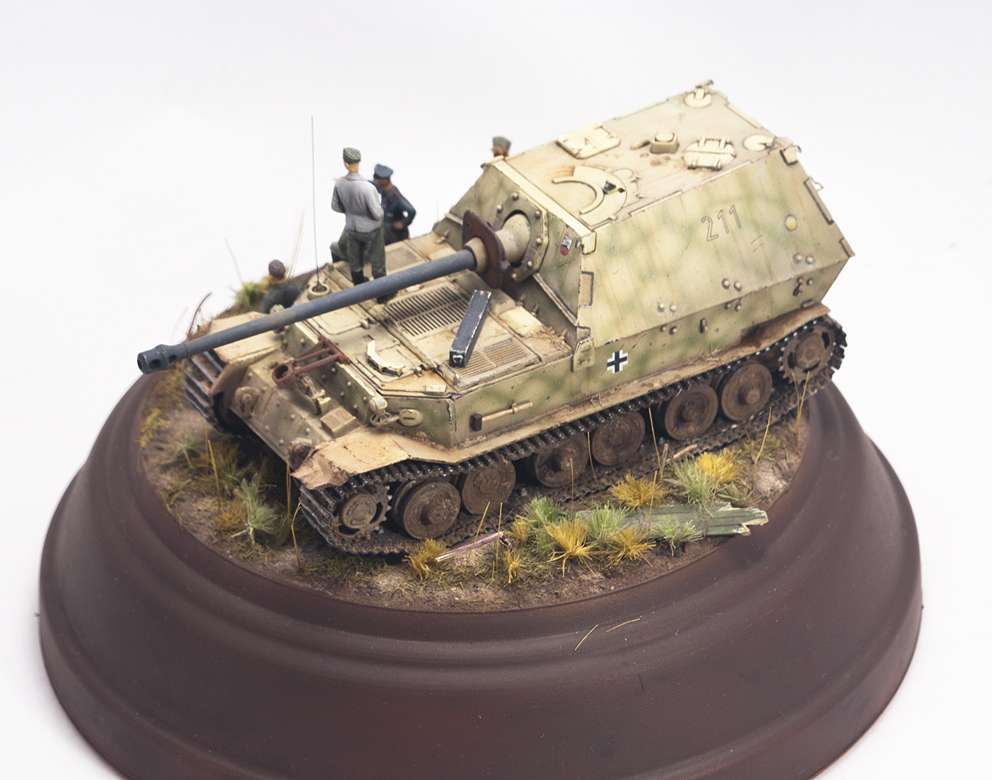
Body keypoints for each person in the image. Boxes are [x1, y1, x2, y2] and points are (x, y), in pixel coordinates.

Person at [331, 147, 390, 301]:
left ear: (345, 163)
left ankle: (359, 289)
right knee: (377, 261)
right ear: (359, 162)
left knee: (355, 259)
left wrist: (350, 212)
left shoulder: (339, 184)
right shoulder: (368, 188)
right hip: (370, 229)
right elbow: (378, 214)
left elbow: (335, 207)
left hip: (352, 227)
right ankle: (382, 295)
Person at [372, 163, 416, 245]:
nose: (375, 182)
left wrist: (403, 223)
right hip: (386, 230)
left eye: (377, 180)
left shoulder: (396, 197)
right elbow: (372, 184)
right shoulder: (383, 189)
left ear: (384, 181)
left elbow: (411, 211)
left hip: (396, 234)